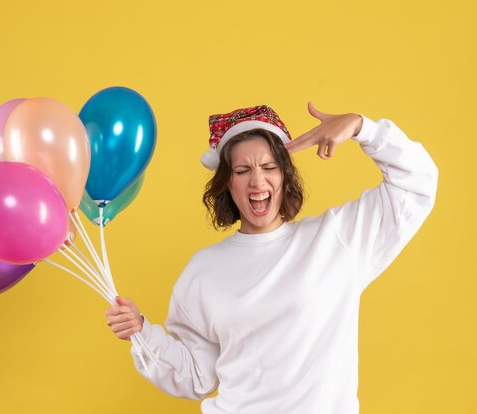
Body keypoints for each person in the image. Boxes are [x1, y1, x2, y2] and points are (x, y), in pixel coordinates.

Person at [105, 103, 438, 414]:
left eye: (269, 167)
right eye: (242, 170)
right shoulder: (203, 270)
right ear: (227, 184)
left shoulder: (336, 240)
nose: (258, 180)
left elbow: (417, 182)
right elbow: (197, 376)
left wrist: (361, 127)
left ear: (284, 176)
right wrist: (142, 331)